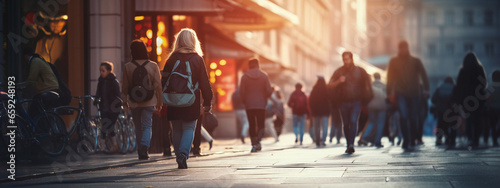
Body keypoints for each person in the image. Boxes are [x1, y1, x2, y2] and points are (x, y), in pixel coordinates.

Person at [162, 29, 213, 168]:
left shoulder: (171, 59)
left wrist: (161, 97)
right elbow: (204, 82)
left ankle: (179, 154)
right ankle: (183, 155)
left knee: (177, 129)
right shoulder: (197, 59)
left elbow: (163, 80)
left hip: (173, 99)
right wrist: (208, 101)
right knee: (189, 128)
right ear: (193, 41)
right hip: (191, 100)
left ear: (178, 41)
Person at [122, 40, 163, 160]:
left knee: (138, 126)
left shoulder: (128, 67)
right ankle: (144, 147)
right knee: (147, 125)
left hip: (134, 102)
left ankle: (141, 150)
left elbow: (125, 87)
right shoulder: (153, 65)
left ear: (132, 51)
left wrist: (125, 102)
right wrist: (159, 102)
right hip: (149, 101)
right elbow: (158, 86)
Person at [386, 41, 430, 151]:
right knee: (404, 116)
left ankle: (413, 138)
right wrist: (389, 92)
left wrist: (426, 89)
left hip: (414, 92)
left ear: (408, 48)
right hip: (400, 92)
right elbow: (390, 77)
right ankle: (406, 139)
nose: (403, 50)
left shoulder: (415, 61)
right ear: (399, 49)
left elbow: (424, 75)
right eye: (401, 48)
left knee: (413, 117)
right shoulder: (394, 61)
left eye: (405, 48)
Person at [328, 51, 372, 154]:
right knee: (346, 123)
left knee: (353, 121)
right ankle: (348, 143)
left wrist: (366, 97)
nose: (346, 61)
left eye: (347, 59)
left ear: (351, 59)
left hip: (356, 101)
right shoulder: (339, 71)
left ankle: (351, 144)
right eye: (344, 59)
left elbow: (367, 84)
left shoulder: (360, 71)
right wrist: (339, 81)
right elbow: (329, 85)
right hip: (343, 102)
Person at [451, 52, 487, 148]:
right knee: (477, 118)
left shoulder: (463, 70)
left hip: (466, 98)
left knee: (468, 118)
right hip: (478, 98)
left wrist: (458, 99)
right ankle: (476, 139)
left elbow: (458, 85)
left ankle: (470, 137)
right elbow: (484, 83)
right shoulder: (479, 69)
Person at [239, 58, 274, 152]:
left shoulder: (244, 76)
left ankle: (254, 143)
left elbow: (241, 91)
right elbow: (268, 91)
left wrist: (244, 101)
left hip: (249, 105)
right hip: (261, 105)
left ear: (249, 65)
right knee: (261, 124)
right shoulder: (264, 76)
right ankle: (258, 140)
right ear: (258, 65)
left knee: (252, 124)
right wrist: (265, 96)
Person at [95, 61, 122, 151]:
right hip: (104, 107)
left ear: (109, 71)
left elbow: (118, 95)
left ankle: (111, 145)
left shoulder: (114, 82)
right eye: (100, 71)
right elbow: (98, 93)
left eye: (103, 71)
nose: (101, 73)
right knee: (105, 126)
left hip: (113, 108)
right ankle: (106, 146)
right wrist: (96, 100)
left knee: (109, 126)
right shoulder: (101, 82)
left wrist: (117, 104)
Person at [360, 73, 388, 148]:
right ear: (380, 77)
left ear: (374, 77)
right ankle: (377, 141)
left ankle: (365, 137)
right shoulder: (384, 85)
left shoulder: (371, 85)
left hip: (372, 106)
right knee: (380, 123)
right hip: (382, 106)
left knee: (372, 122)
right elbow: (387, 96)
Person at [431, 76, 455, 147]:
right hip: (450, 110)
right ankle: (449, 139)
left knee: (440, 125)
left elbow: (433, 99)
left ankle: (439, 140)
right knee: (449, 125)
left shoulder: (440, 88)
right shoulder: (454, 87)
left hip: (440, 110)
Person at [309, 75, 330, 147]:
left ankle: (317, 140)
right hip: (325, 111)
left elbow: (311, 101)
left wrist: (312, 109)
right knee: (325, 126)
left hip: (316, 111)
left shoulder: (314, 89)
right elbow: (330, 100)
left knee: (316, 126)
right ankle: (323, 140)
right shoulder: (327, 89)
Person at [486, 70, 500, 147]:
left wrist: (489, 105)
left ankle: (495, 140)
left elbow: (488, 97)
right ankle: (497, 135)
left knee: (493, 125)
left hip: (492, 108)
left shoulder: (490, 86)